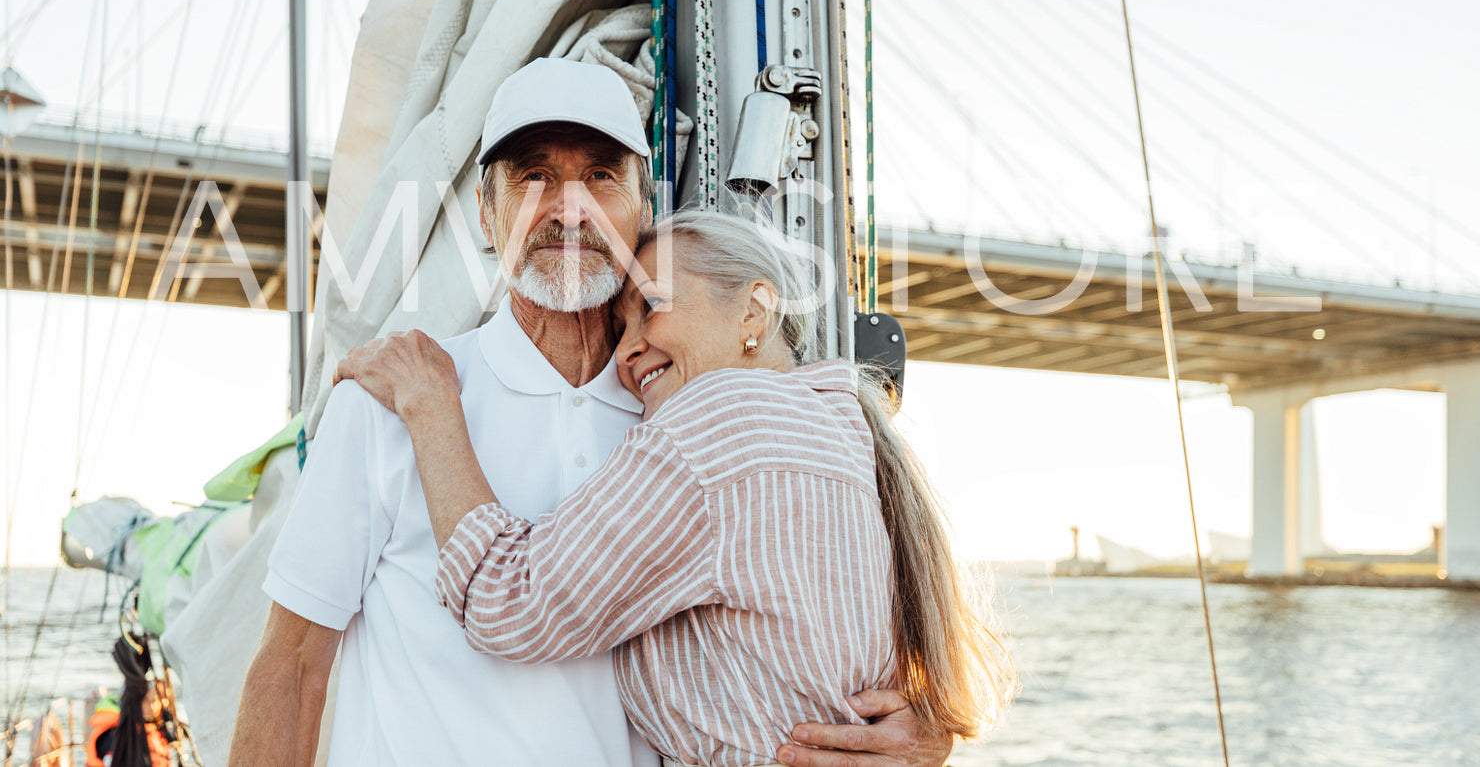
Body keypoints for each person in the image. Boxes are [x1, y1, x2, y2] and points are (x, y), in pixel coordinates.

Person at [229, 58, 951, 767]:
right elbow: (290, 667)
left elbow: (820, 621)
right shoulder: (392, 397)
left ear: (644, 207)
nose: (568, 204)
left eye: (601, 175)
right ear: (487, 213)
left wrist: (918, 731)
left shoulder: (679, 409)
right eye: (533, 174)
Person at [335, 210, 1011, 767]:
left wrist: (431, 403)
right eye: (617, 326)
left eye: (651, 307)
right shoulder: (839, 428)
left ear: (754, 310)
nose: (626, 352)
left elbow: (508, 603)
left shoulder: (722, 419)